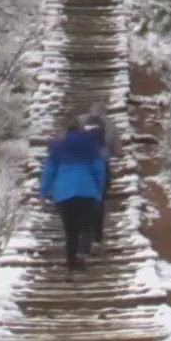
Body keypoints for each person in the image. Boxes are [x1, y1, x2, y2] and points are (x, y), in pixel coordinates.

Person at [39, 113, 109, 270]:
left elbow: (49, 171)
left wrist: (43, 192)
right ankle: (82, 254)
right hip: (87, 191)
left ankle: (71, 261)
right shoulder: (90, 144)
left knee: (70, 230)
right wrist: (99, 189)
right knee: (86, 226)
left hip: (63, 194)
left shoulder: (57, 147)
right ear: (80, 128)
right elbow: (99, 168)